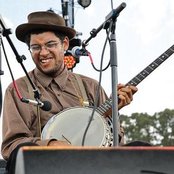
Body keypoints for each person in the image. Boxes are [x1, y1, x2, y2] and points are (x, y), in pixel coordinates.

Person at [1, 11, 138, 173]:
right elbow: (12, 146)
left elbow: (116, 144)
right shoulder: (18, 89)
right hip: (46, 168)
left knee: (140, 149)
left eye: (50, 44)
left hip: (93, 166)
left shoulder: (91, 86)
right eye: (35, 47)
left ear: (65, 44)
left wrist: (114, 114)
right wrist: (51, 144)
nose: (43, 53)